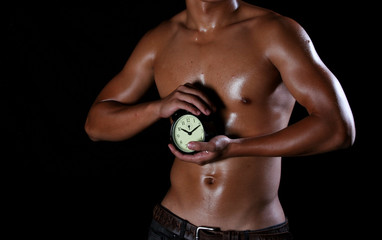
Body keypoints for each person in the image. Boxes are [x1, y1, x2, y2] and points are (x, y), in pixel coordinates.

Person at [85, 0, 356, 239]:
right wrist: (157, 108)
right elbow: (95, 125)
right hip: (170, 227)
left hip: (254, 232)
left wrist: (233, 147)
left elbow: (337, 129)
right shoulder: (160, 39)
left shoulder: (274, 31)